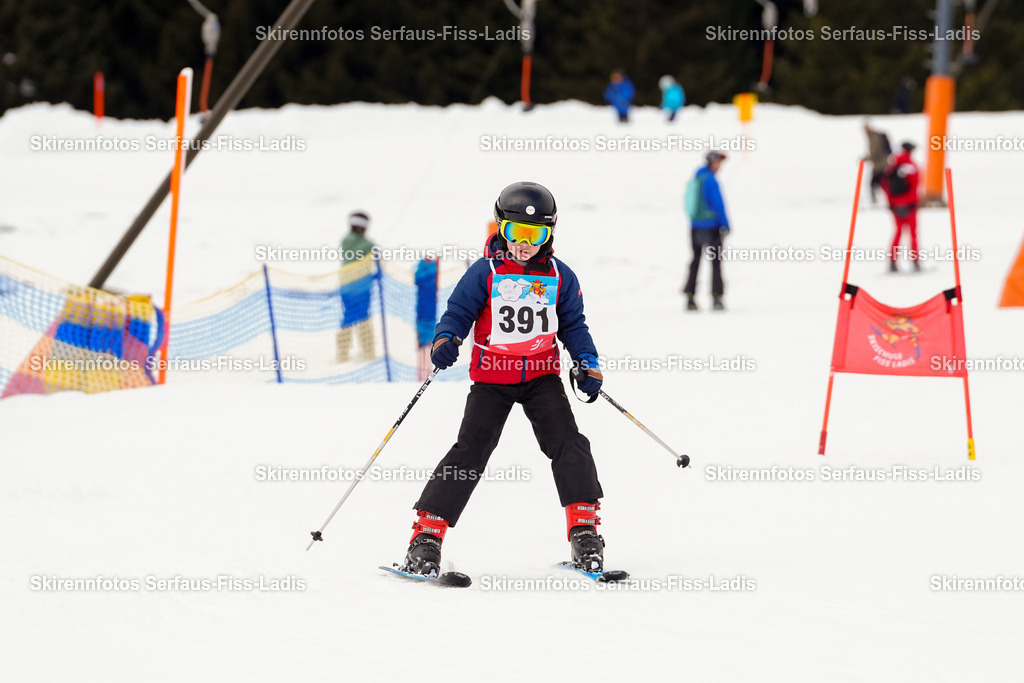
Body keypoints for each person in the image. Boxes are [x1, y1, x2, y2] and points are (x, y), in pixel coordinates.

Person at [398, 181, 608, 577]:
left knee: (569, 443)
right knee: (470, 451)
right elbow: (457, 312)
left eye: (535, 234)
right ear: (500, 230)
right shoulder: (485, 272)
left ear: (550, 234)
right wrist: (446, 338)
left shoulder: (561, 277)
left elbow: (574, 326)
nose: (524, 244)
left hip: (542, 376)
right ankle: (426, 538)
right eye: (515, 233)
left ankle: (585, 533)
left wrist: (586, 362)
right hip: (493, 376)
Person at [683, 151, 731, 311]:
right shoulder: (711, 180)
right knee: (716, 262)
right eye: (718, 163)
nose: (720, 166)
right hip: (712, 227)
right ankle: (717, 297)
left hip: (695, 226)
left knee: (695, 260)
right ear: (712, 162)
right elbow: (719, 204)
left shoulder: (697, 177)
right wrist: (725, 223)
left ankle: (690, 296)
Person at [336, 210, 377, 362]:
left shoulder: (345, 240)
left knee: (347, 319)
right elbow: (375, 257)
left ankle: (342, 353)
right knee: (364, 320)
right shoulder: (368, 244)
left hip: (345, 288)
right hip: (362, 289)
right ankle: (368, 352)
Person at [881, 141, 921, 272]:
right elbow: (915, 186)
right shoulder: (912, 166)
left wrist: (892, 203)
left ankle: (892, 262)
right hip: (910, 205)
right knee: (912, 234)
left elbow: (885, 185)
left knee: (897, 232)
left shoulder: (892, 166)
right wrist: (911, 203)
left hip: (895, 206)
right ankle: (915, 262)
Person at [862, 121, 892, 205]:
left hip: (880, 165)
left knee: (875, 183)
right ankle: (881, 200)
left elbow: (875, 152)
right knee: (881, 183)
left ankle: (876, 201)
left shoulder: (873, 137)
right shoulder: (873, 136)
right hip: (880, 164)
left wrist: (866, 158)